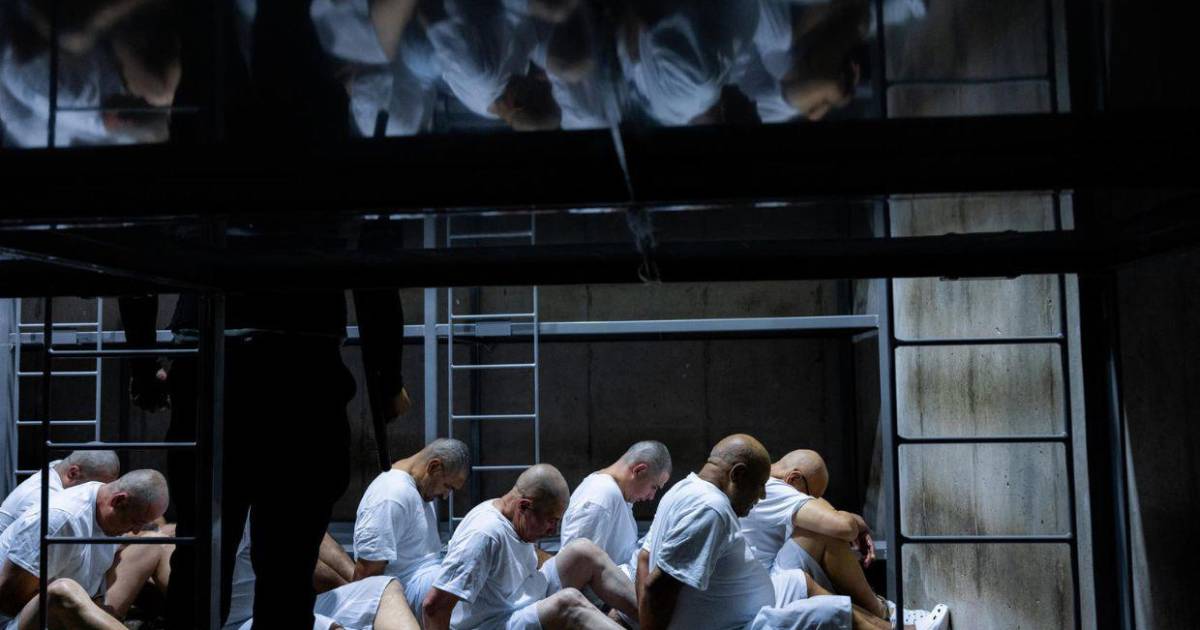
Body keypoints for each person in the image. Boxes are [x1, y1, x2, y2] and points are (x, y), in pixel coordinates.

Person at [638, 434, 916, 630]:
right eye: (760, 485)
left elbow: (644, 558)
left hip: (741, 608)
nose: (762, 495)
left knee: (799, 582)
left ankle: (891, 625)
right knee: (832, 613)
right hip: (738, 624)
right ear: (737, 475)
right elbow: (656, 588)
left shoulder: (683, 488)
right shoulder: (711, 509)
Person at [742, 449, 948, 629]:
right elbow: (843, 527)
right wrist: (851, 521)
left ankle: (885, 615)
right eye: (809, 497)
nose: (812, 502)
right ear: (794, 478)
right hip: (771, 592)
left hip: (772, 584)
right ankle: (885, 613)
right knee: (824, 533)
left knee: (823, 533)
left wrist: (844, 518)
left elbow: (836, 520)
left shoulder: (769, 486)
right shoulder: (773, 488)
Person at [421, 464, 637, 630]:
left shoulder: (511, 516)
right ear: (524, 506)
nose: (552, 530)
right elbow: (434, 606)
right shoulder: (483, 534)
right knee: (570, 602)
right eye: (550, 520)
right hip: (495, 622)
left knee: (583, 551)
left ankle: (650, 619)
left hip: (523, 598)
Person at [0, 470, 170, 630]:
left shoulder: (105, 500)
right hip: (18, 619)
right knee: (62, 591)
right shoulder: (61, 519)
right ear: (118, 501)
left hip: (89, 599)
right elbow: (8, 600)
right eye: (135, 522)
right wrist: (85, 610)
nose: (136, 530)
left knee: (156, 542)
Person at [223, 516, 421, 630]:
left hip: (278, 606)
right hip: (237, 624)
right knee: (324, 626)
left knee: (382, 587)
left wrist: (354, 586)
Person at [353, 439, 470, 620]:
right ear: (434, 467)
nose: (445, 496)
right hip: (404, 605)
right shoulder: (391, 495)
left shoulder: (418, 488)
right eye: (447, 486)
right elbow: (366, 574)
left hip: (426, 594)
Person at [560, 440, 671, 579]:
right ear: (639, 470)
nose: (651, 497)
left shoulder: (615, 494)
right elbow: (578, 572)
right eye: (654, 487)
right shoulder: (601, 496)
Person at [0, 451, 120, 534]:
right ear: (73, 473)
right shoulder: (44, 499)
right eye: (95, 487)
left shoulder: (58, 469)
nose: (100, 494)